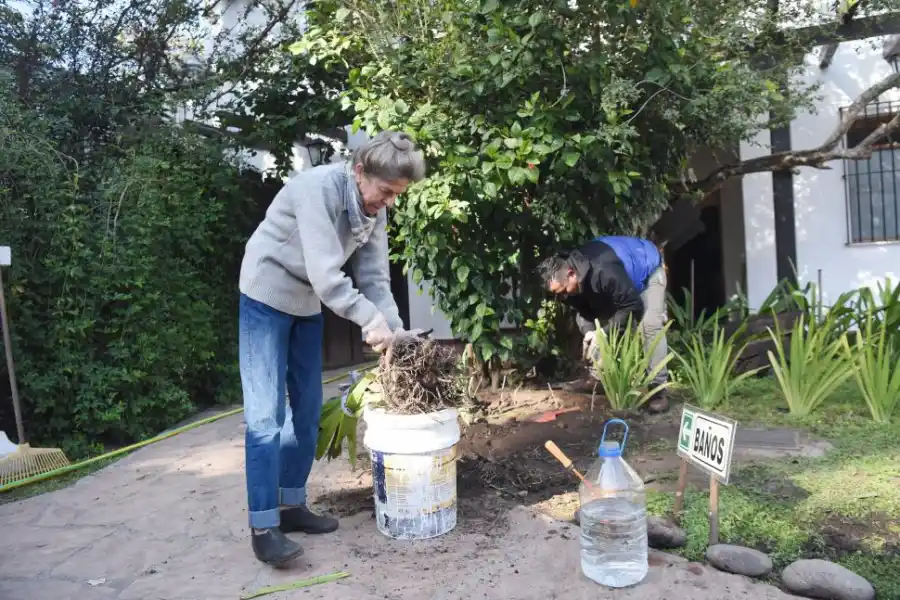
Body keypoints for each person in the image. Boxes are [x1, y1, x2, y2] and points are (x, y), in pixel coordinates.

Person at [237, 131, 426, 567]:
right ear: (360, 173)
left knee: (305, 410)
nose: (390, 203)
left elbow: (376, 280)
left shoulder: (372, 210)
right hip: (265, 294)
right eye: (386, 192)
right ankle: (264, 526)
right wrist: (368, 320)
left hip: (305, 301)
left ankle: (292, 506)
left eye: (397, 195)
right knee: (266, 416)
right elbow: (327, 275)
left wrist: (396, 333)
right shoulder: (317, 189)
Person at [538, 235, 669, 414]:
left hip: (647, 272)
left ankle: (657, 390)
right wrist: (592, 334)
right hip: (621, 284)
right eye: (556, 294)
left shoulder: (603, 271)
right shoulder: (570, 286)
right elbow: (585, 314)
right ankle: (597, 378)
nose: (562, 297)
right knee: (587, 323)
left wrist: (604, 333)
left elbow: (633, 306)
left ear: (571, 273)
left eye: (562, 291)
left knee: (650, 325)